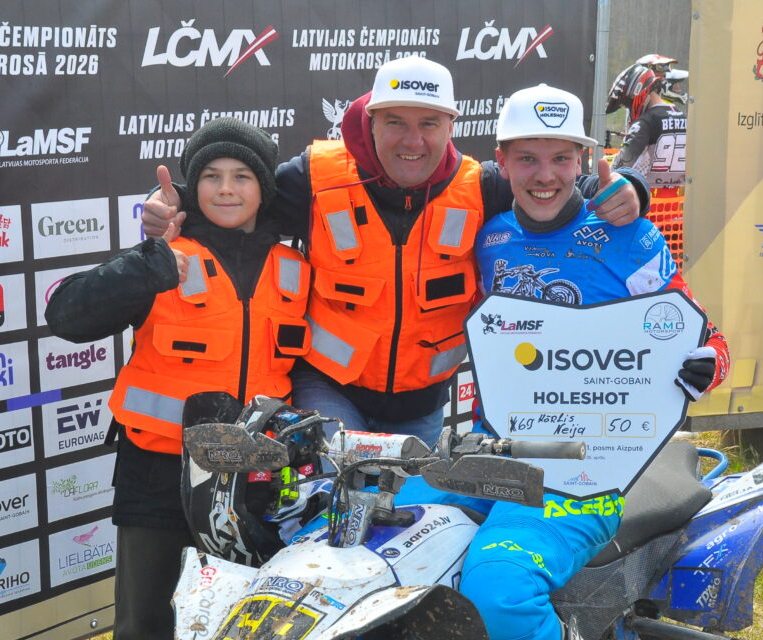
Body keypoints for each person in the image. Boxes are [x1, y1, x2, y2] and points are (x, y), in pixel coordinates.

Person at [140, 56, 651, 450]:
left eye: (429, 123)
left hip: (420, 406)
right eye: (395, 122)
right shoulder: (317, 177)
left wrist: (630, 188)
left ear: (451, 126)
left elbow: (556, 184)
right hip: (329, 389)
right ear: (370, 121)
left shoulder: (481, 187)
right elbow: (237, 197)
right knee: (341, 503)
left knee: (405, 521)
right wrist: (173, 203)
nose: (413, 140)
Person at [460, 83, 728, 640]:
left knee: (500, 596)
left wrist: (709, 360)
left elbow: (704, 334)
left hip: (589, 468)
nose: (545, 175)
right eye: (527, 158)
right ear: (501, 161)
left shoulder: (631, 238)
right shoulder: (490, 238)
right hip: (489, 452)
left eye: (561, 158)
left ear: (583, 159)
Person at [45, 117, 310, 640]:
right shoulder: (166, 256)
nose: (226, 189)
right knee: (146, 633)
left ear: (264, 187)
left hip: (255, 484)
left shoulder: (296, 270)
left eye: (242, 176)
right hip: (157, 474)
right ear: (193, 186)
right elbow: (64, 315)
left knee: (244, 637)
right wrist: (145, 267)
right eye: (211, 176)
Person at [607, 61, 688, 193]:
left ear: (636, 92)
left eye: (627, 104)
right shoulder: (685, 118)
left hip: (647, 201)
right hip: (679, 202)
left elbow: (616, 171)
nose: (629, 108)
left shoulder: (644, 124)